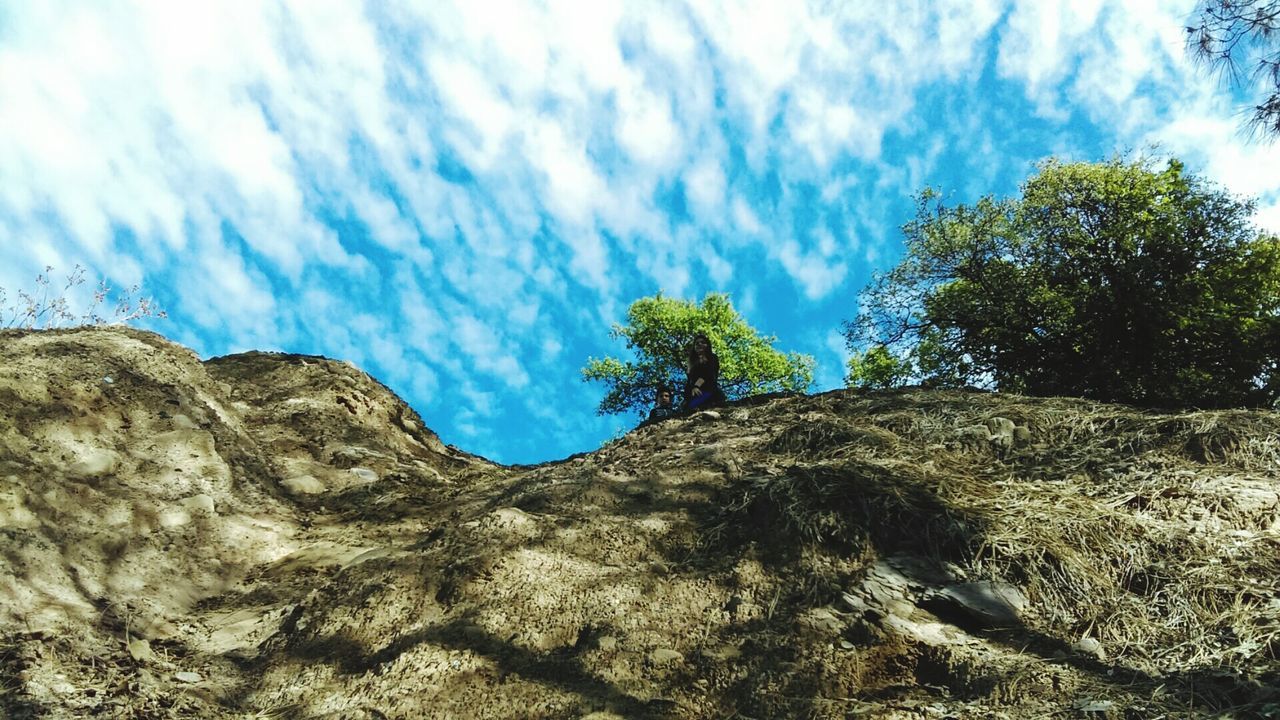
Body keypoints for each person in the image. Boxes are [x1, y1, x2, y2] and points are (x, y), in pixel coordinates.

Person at [684, 333, 724, 411]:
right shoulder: (692, 364)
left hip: (709, 391)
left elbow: (709, 373)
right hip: (694, 394)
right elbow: (689, 382)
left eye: (703, 342)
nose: (699, 344)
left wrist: (696, 386)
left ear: (707, 345)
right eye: (697, 343)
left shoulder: (712, 358)